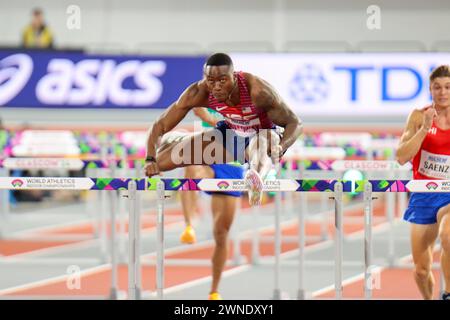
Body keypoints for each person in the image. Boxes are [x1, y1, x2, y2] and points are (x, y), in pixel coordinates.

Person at [144, 53, 303, 206]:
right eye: (211, 81)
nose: (217, 87)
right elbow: (160, 124)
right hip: (231, 136)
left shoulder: (258, 91)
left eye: (222, 80)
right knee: (161, 162)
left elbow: (295, 123)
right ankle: (176, 139)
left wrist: (282, 147)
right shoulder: (200, 92)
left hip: (262, 136)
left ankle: (256, 179)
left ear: (234, 76)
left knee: (263, 141)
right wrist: (150, 158)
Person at [396, 65, 450, 300]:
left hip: (449, 193)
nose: (443, 92)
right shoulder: (418, 116)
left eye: (448, 87)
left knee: (448, 235)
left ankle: (447, 293)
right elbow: (401, 157)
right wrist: (425, 129)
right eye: (437, 87)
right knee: (421, 270)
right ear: (430, 89)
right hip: (423, 194)